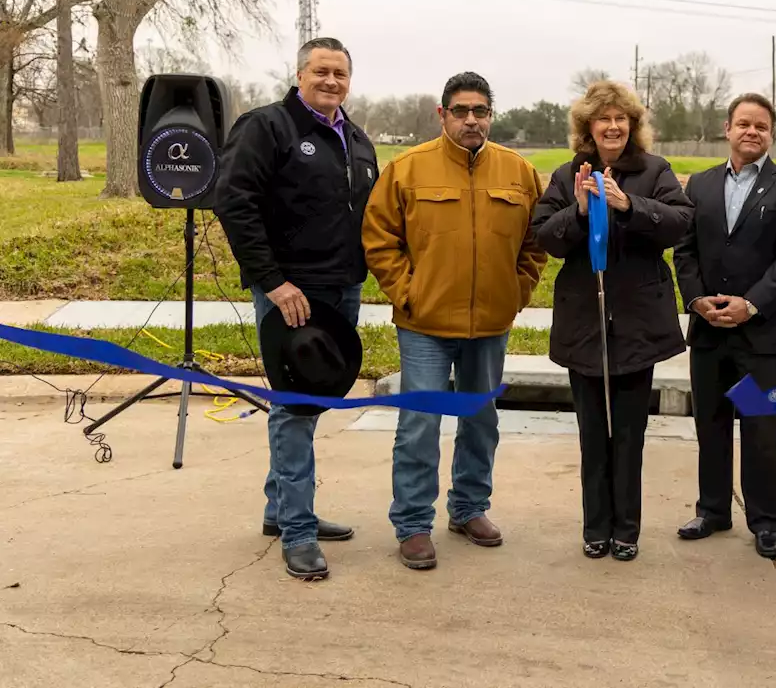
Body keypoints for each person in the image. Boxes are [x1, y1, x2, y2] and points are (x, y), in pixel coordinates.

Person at [362, 71, 547, 571]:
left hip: (491, 323)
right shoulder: (407, 169)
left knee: (480, 420)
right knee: (420, 423)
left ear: (491, 116)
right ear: (442, 114)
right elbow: (380, 240)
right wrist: (409, 293)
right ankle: (413, 524)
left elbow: (535, 244)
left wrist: (515, 294)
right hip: (424, 323)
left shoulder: (518, 172)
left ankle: (468, 509)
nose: (472, 120)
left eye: (480, 111)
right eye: (461, 111)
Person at [214, 36, 379, 580]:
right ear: (300, 73)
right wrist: (274, 282)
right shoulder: (266, 127)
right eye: (321, 71)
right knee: (293, 407)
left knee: (314, 401)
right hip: (291, 293)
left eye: (340, 74)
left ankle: (280, 510)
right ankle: (299, 531)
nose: (331, 81)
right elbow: (234, 203)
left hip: (341, 288)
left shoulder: (356, 139)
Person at [531, 80, 694, 562]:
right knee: (591, 434)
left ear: (633, 126)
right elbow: (545, 236)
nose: (613, 126)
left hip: (637, 324)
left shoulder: (654, 171)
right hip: (584, 323)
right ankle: (595, 527)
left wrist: (629, 205)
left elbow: (681, 221)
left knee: (628, 433)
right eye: (603, 119)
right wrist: (579, 211)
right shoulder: (566, 176)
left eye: (622, 119)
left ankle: (628, 530)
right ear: (588, 127)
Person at [673, 92, 776, 559]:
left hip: (759, 338)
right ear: (727, 129)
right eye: (743, 124)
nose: (752, 132)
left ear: (771, 134)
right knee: (710, 425)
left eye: (761, 126)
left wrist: (750, 305)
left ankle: (767, 520)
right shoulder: (701, 185)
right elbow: (685, 251)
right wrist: (696, 300)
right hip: (710, 333)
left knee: (759, 429)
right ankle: (712, 510)